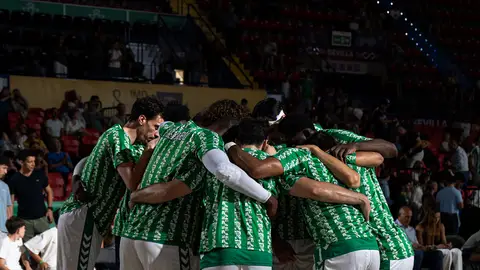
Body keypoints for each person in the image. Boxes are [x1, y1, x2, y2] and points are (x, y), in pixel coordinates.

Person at [119, 100, 277, 270]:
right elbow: (224, 170)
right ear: (231, 126)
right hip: (167, 236)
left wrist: (136, 194)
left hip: (131, 233)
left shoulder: (170, 128)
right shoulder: (208, 138)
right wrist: (267, 197)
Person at [225, 138, 378, 268]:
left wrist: (230, 146)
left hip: (337, 245)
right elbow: (366, 169)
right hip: (368, 244)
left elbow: (315, 190)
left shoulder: (293, 167)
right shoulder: (334, 165)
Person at [57, 96, 164, 270]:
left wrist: (76, 178)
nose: (156, 133)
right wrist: (148, 152)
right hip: (85, 217)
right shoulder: (118, 138)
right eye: (155, 127)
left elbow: (85, 160)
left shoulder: (135, 144)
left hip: (92, 219)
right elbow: (131, 183)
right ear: (142, 119)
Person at [302, 130, 415, 269]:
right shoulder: (362, 159)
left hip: (386, 250)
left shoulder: (328, 165)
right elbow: (380, 156)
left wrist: (316, 152)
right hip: (397, 244)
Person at [9, 150, 53, 242]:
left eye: (34, 161)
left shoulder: (39, 175)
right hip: (24, 222)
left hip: (41, 219)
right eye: (30, 162)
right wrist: (11, 220)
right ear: (21, 162)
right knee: (25, 250)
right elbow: (10, 202)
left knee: (46, 248)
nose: (33, 164)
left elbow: (49, 191)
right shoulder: (14, 179)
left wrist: (50, 209)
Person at [0, 156, 12, 238]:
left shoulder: (5, 186)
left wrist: (10, 228)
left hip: (4, 229)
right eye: (4, 168)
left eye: (6, 168)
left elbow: (8, 208)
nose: (6, 171)